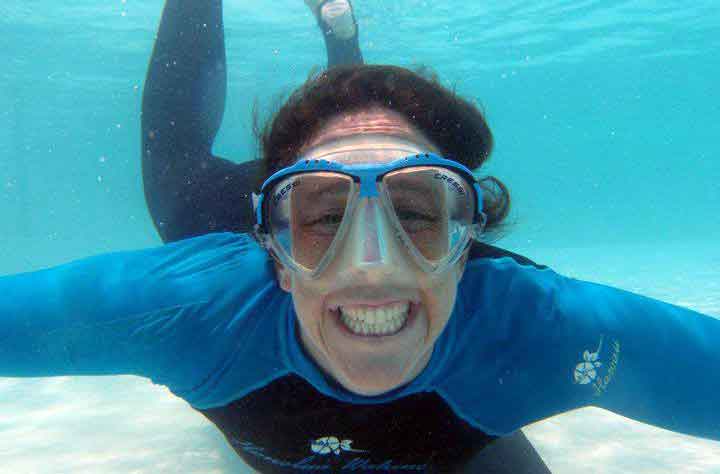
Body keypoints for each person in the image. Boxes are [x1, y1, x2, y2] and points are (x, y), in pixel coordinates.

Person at [2, 3, 719, 474]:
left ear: (467, 242)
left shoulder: (538, 328)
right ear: (272, 255)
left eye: (415, 213)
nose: (370, 268)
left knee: (360, 157)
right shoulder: (195, 307)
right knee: (173, 176)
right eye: (321, 217)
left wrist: (333, 200)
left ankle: (342, 63)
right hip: (234, 224)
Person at [140, 0, 553, 471]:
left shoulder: (198, 306)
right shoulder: (497, 341)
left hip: (260, 221)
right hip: (264, 215)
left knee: (176, 174)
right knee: (375, 177)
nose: (370, 270)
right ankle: (342, 47)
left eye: (415, 213)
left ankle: (337, 47)